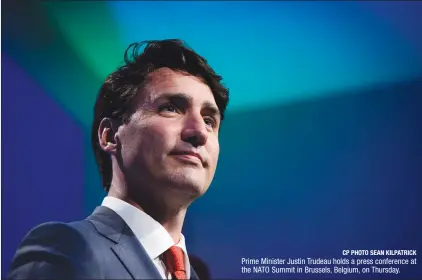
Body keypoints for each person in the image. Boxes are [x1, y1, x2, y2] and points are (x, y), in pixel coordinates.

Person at [7, 39, 229, 280]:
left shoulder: (196, 275)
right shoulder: (68, 249)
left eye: (209, 120)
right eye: (171, 108)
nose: (199, 132)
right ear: (110, 136)